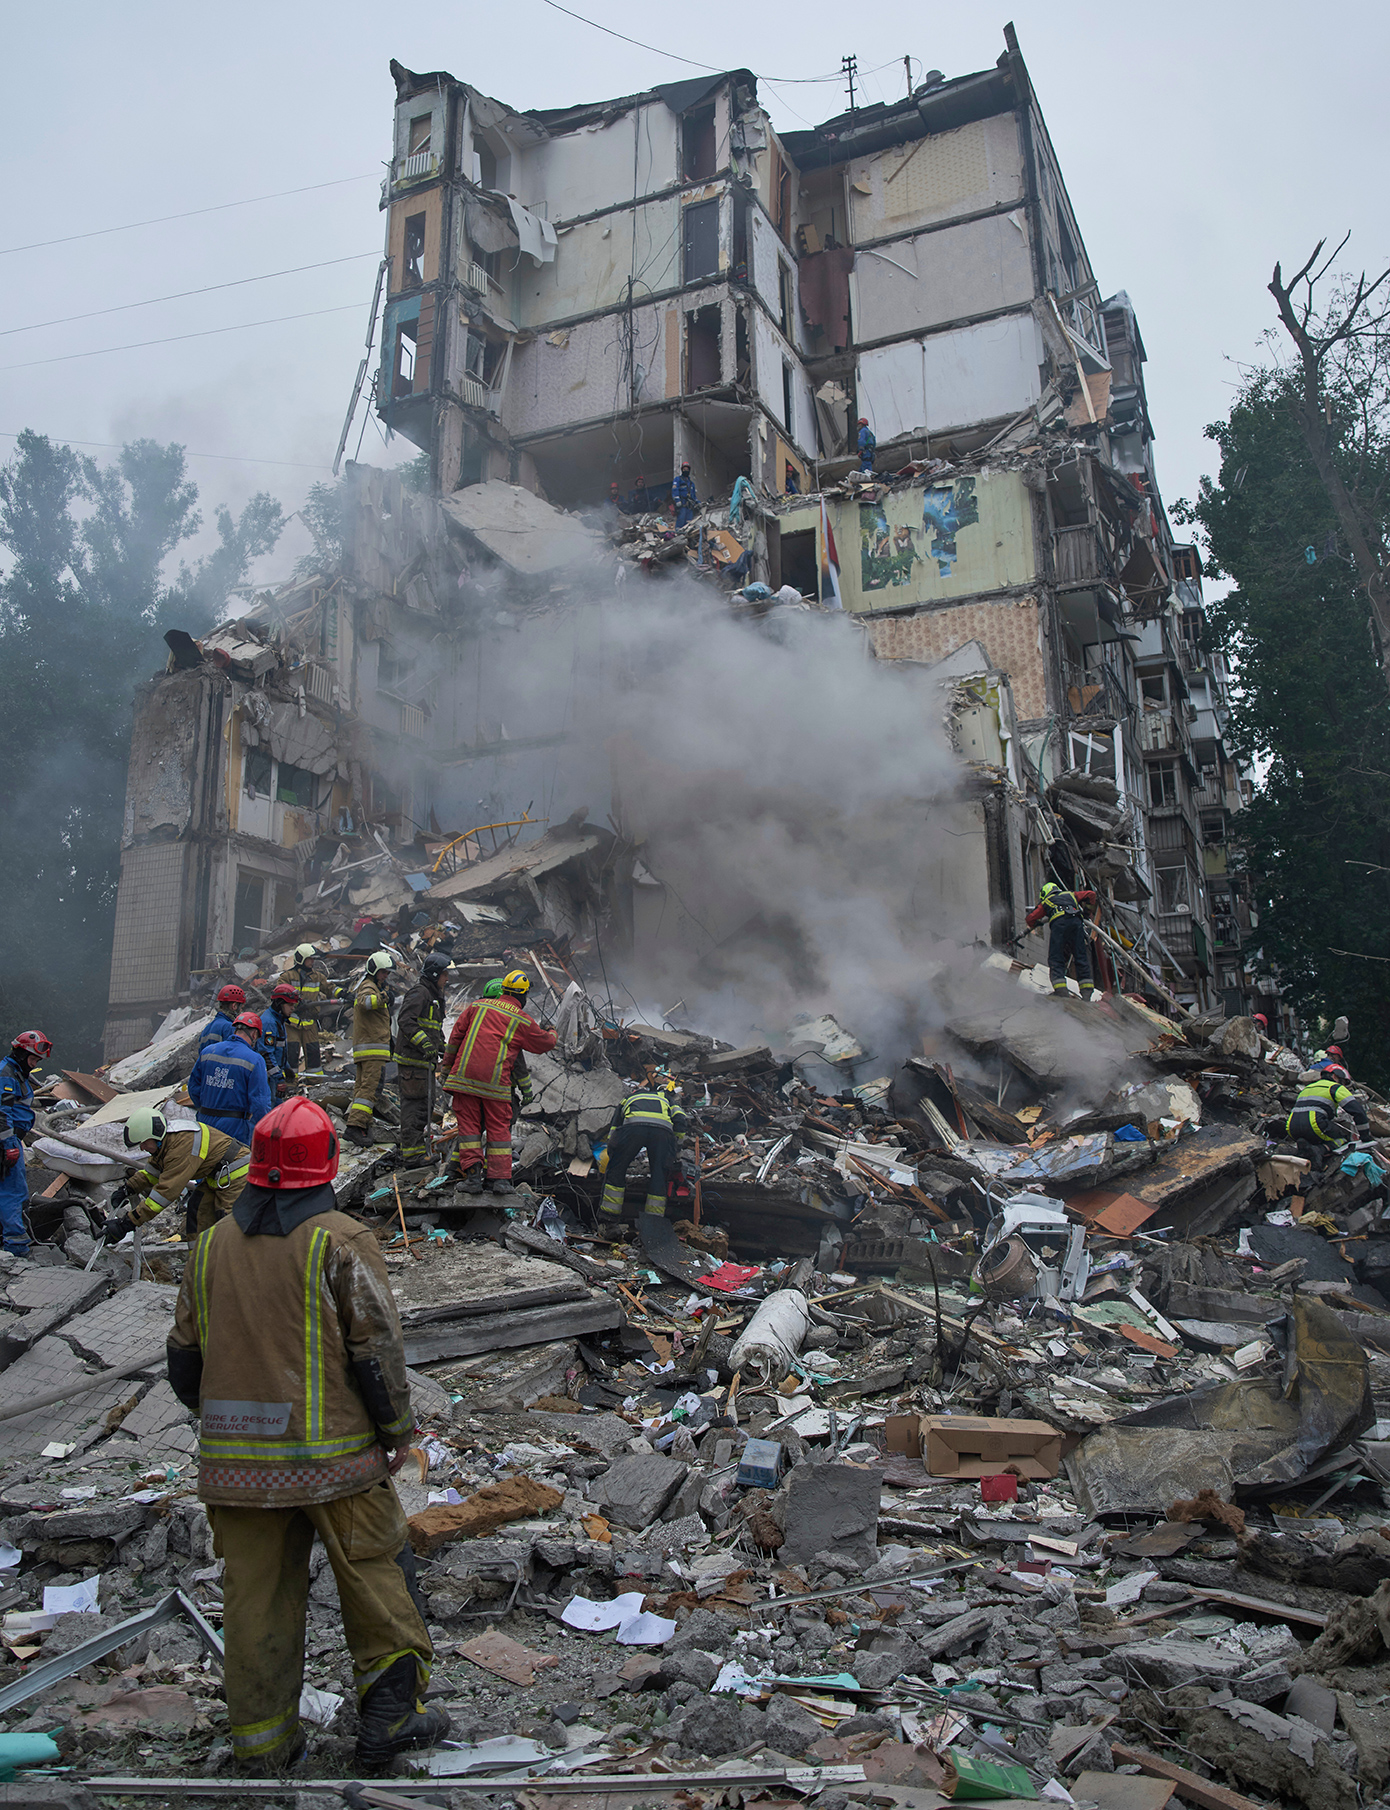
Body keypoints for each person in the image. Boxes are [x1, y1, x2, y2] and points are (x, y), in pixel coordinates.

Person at [165, 1098, 449, 1773]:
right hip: (335, 1463)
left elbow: (183, 1361)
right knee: (377, 1575)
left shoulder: (208, 1246)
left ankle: (262, 1744)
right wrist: (396, 1433)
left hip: (235, 1470)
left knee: (255, 1598)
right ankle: (390, 1719)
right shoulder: (340, 1240)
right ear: (326, 1164)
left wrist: (227, 1424)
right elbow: (376, 1350)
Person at [441, 970, 555, 1196]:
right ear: (522, 995)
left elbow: (455, 1038)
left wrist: (447, 1067)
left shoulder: (476, 1007)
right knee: (499, 1130)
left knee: (469, 1129)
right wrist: (552, 1031)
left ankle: (473, 1178)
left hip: (464, 1079)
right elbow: (545, 1043)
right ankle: (500, 1181)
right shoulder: (521, 1019)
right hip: (496, 1085)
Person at [102, 1105, 250, 1242]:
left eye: (144, 1143)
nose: (142, 1148)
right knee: (197, 1213)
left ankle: (234, 1260)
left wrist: (129, 1222)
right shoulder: (165, 1143)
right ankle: (197, 1261)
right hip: (219, 1176)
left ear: (155, 1135)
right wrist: (128, 1188)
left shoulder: (180, 1147)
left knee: (229, 1224)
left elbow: (165, 1193)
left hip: (238, 1175)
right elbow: (151, 1174)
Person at [599, 1081, 689, 1222]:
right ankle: (654, 1221)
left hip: (633, 1128)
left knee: (617, 1170)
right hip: (662, 1131)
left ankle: (609, 1219)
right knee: (659, 1175)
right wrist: (675, 1151)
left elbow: (615, 1128)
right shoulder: (665, 1098)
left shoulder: (628, 1098)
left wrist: (614, 1154)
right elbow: (680, 1119)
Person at [395, 954, 450, 1166]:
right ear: (435, 974)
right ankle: (412, 1156)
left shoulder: (433, 996)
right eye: (444, 974)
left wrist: (445, 1050)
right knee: (414, 1107)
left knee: (424, 1106)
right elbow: (405, 1020)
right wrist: (425, 1043)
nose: (446, 978)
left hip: (423, 1064)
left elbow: (434, 1029)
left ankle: (417, 1152)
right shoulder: (420, 993)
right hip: (413, 1062)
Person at [0, 1031, 51, 1257]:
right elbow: (2, 1113)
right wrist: (9, 1144)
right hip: (7, 1142)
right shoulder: (7, 1076)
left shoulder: (16, 1074)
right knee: (13, 1192)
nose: (34, 1064)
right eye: (32, 1059)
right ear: (21, 1054)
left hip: (12, 1140)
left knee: (12, 1191)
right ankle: (15, 1246)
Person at [189, 1012, 274, 1148]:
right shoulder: (255, 1060)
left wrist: (203, 1108)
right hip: (235, 1128)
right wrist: (259, 1132)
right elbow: (260, 1104)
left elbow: (193, 1087)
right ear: (254, 1035)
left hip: (204, 1124)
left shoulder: (208, 1052)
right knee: (233, 1161)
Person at [347, 952, 395, 1149]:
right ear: (374, 970)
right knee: (370, 1088)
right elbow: (365, 1002)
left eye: (387, 973)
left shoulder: (373, 986)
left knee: (362, 1088)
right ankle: (355, 1126)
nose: (385, 976)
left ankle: (362, 1125)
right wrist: (384, 997)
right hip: (372, 1050)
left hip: (369, 1050)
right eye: (383, 972)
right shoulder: (368, 987)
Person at [1025, 880, 1099, 1000]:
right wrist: (1086, 912)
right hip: (1076, 924)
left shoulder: (1047, 901)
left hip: (1059, 927)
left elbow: (1030, 918)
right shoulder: (1071, 894)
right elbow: (1091, 894)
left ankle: (1061, 991)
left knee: (1056, 958)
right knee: (1081, 957)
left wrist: (1036, 923)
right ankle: (1086, 993)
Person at [1286, 1065, 1369, 1172]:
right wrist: (1365, 1137)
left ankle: (1306, 1148)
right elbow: (1359, 1112)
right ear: (1335, 1076)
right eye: (1343, 1081)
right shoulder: (1335, 1088)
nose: (1343, 1085)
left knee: (1318, 1134)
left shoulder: (1308, 1087)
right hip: (1314, 1125)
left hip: (1292, 1128)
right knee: (1343, 1138)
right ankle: (1320, 1150)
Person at [288, 944, 335, 1079]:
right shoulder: (287, 976)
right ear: (301, 959)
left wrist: (343, 993)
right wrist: (297, 1002)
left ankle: (315, 1081)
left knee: (313, 1053)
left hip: (310, 1023)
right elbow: (281, 994)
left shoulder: (317, 977)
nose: (312, 962)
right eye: (309, 959)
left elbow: (330, 988)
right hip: (292, 1023)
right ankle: (289, 1083)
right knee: (291, 1053)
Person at [260, 983, 299, 1097]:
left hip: (273, 1076)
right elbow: (266, 1054)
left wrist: (286, 1067)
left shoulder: (278, 1020)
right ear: (279, 1004)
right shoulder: (269, 1023)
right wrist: (279, 1078)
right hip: (268, 1078)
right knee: (271, 1105)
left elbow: (278, 1050)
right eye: (290, 1004)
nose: (293, 1008)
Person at [199, 984, 248, 1055]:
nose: (241, 1011)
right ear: (234, 1006)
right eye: (241, 1008)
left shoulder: (207, 1028)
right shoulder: (230, 1027)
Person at [671, 461, 699, 528]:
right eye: (684, 469)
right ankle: (678, 532)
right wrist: (677, 501)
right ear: (682, 470)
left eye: (687, 469)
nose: (686, 471)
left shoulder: (691, 484)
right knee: (681, 521)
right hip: (682, 505)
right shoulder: (678, 479)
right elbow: (675, 490)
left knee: (689, 523)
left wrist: (698, 502)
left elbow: (694, 496)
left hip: (689, 507)